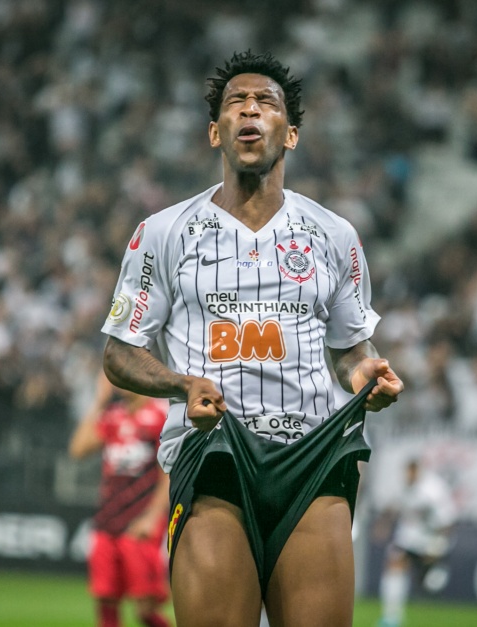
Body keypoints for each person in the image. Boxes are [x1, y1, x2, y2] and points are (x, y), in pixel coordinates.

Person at [101, 50, 403, 627]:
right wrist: (182, 383)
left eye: (265, 102)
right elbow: (119, 352)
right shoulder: (162, 233)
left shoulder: (335, 235)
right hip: (216, 450)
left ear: (289, 134)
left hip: (315, 453)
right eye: (235, 102)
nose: (249, 110)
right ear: (216, 132)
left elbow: (350, 349)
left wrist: (365, 372)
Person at [69, 373, 171, 627]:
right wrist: (99, 402)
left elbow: (168, 474)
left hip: (139, 524)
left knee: (145, 609)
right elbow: (78, 449)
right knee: (106, 605)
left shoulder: (159, 417)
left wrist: (152, 516)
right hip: (107, 522)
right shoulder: (113, 416)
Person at [377, 459, 457, 627]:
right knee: (394, 564)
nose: (408, 476)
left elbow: (447, 521)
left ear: (419, 472)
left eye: (411, 472)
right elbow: (394, 506)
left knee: (430, 585)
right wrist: (383, 524)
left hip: (430, 540)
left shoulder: (433, 490)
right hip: (407, 538)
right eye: (406, 472)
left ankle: (434, 575)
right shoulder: (403, 487)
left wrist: (439, 545)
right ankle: (391, 618)